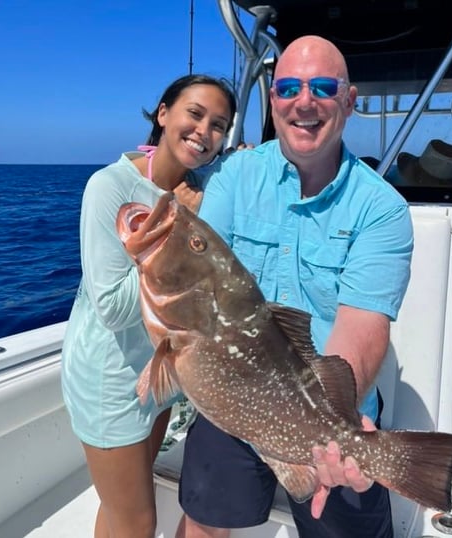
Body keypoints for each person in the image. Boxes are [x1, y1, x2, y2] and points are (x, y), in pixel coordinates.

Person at [176, 35, 414, 538]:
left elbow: (360, 330)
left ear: (349, 101)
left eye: (323, 87)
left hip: (331, 411)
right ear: (273, 101)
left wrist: (335, 429)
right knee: (202, 525)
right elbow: (201, 286)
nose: (304, 102)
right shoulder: (233, 177)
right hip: (233, 399)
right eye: (287, 88)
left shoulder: (383, 209)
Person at [61, 74, 237, 538]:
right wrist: (173, 231)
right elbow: (112, 310)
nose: (204, 132)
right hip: (110, 381)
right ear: (163, 114)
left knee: (119, 508)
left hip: (160, 372)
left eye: (219, 125)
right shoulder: (109, 186)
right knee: (137, 521)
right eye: (194, 114)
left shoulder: (202, 185)